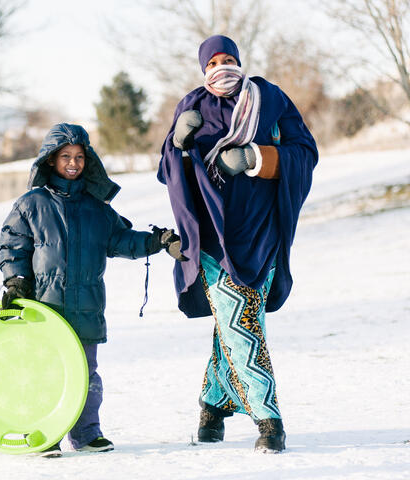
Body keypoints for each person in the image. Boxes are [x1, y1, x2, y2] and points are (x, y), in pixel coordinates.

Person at [157, 35, 318, 453]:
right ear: (203, 70)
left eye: (229, 59)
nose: (222, 67)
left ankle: (212, 409)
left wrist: (257, 158)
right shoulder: (192, 105)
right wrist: (177, 144)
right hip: (212, 239)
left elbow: (305, 152)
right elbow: (167, 171)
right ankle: (269, 421)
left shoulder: (269, 98)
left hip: (262, 232)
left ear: (240, 61)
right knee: (240, 324)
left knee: (235, 323)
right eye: (213, 62)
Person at [0, 123, 182, 458]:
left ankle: (86, 433)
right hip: (45, 308)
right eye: (66, 156)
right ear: (51, 160)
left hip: (86, 306)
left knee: (87, 375)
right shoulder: (32, 204)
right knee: (43, 373)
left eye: (79, 157)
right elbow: (13, 246)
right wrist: (15, 281)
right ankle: (45, 432)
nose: (73, 163)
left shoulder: (97, 208)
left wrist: (158, 240)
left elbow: (123, 240)